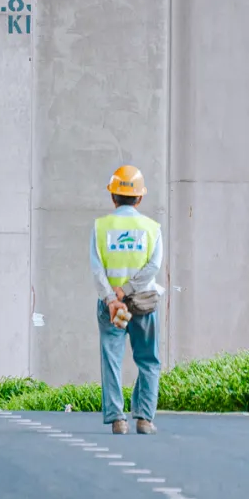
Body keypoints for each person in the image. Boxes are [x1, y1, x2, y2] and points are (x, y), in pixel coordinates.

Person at [90, 164, 163, 435]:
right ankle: (144, 419)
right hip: (142, 303)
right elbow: (153, 268)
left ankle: (118, 420)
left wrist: (112, 297)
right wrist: (128, 289)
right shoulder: (152, 228)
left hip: (112, 306)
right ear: (140, 198)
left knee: (111, 358)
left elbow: (97, 270)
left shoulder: (101, 228)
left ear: (113, 196)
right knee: (148, 360)